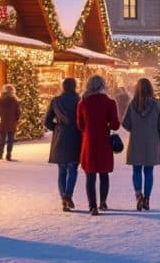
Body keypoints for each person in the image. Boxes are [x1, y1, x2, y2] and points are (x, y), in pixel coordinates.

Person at [122, 77, 160, 211]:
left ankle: (138, 195)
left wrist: (135, 129)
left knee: (136, 170)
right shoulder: (157, 105)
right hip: (152, 143)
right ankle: (147, 199)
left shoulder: (132, 104)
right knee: (149, 171)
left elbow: (125, 123)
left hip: (136, 142)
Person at [77, 74, 120, 216]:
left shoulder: (83, 103)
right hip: (104, 142)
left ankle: (92, 206)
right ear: (103, 85)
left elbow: (80, 124)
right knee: (104, 173)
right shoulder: (110, 102)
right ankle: (103, 201)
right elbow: (115, 125)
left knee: (90, 175)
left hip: (89, 142)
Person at [45, 77, 82, 212]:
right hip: (75, 137)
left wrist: (56, 128)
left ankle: (63, 198)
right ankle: (68, 194)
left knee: (62, 171)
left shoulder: (56, 101)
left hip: (60, 137)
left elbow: (47, 121)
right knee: (73, 169)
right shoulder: (79, 101)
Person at [0, 84, 21, 161]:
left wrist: (2, 114)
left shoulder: (0, 100)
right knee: (10, 140)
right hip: (12, 123)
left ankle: (0, 154)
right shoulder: (14, 100)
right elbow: (18, 113)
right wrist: (16, 119)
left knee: (2, 139)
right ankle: (8, 155)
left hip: (3, 123)